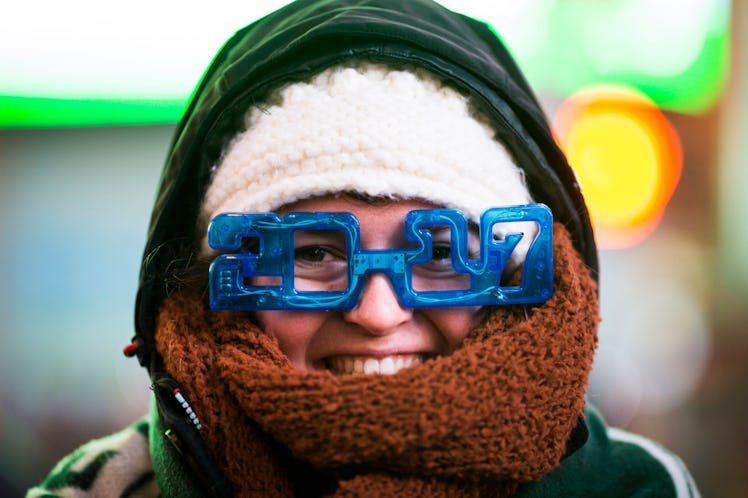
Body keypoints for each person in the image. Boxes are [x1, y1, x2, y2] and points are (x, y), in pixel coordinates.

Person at [28, 0, 701, 496]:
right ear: (217, 280)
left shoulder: (639, 488)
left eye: (441, 254)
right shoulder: (104, 489)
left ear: (520, 275)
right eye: (313, 255)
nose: (378, 314)